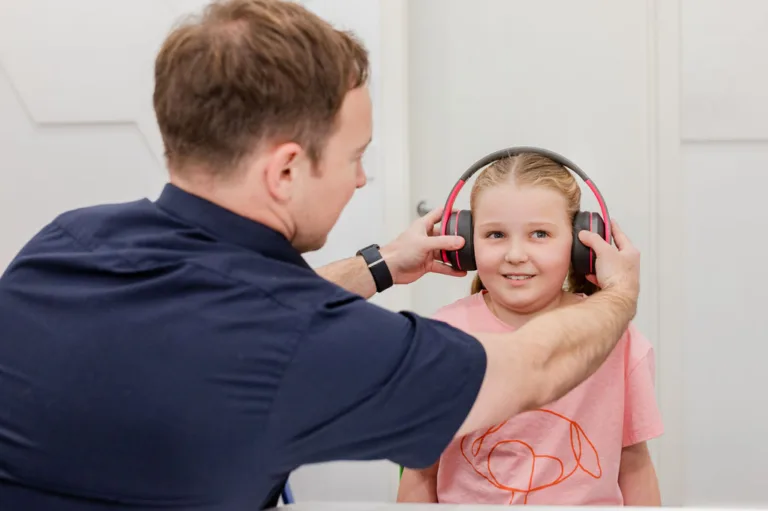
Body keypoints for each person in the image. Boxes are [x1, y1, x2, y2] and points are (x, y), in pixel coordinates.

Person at [0, 1, 640, 510]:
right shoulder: (300, 339)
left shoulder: (63, 246)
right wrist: (617, 295)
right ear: (286, 170)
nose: (360, 181)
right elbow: (527, 370)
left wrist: (385, 262)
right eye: (355, 157)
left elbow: (236, 309)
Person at [397, 153, 663, 507]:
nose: (516, 254)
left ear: (581, 244)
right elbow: (421, 471)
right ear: (467, 242)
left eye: (540, 234)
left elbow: (634, 465)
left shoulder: (618, 339)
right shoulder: (441, 336)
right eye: (495, 234)